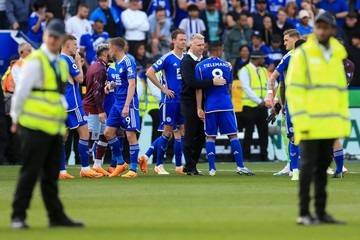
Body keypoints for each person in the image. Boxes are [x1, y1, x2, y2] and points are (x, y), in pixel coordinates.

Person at [9, 19, 84, 229]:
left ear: (60, 40)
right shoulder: (35, 61)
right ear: (45, 36)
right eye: (49, 36)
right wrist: (15, 118)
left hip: (53, 126)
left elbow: (58, 96)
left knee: (51, 175)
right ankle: (18, 216)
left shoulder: (60, 63)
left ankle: (56, 216)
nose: (52, 40)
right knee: (30, 173)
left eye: (56, 37)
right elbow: (21, 92)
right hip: (33, 126)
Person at [286, 11, 351, 225]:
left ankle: (321, 212)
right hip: (310, 123)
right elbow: (294, 91)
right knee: (307, 168)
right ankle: (304, 213)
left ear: (332, 30)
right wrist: (301, 123)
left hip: (330, 124)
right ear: (314, 29)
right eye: (318, 27)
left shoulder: (337, 54)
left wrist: (342, 122)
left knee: (323, 169)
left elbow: (339, 92)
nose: (321, 30)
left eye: (326, 27)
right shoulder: (303, 54)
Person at [195, 41, 255, 176]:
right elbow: (229, 87)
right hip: (226, 105)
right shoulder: (227, 65)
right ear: (219, 50)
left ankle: (212, 169)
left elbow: (199, 88)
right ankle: (240, 167)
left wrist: (199, 107)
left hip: (210, 106)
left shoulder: (200, 66)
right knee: (233, 135)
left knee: (210, 136)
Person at [140, 29, 187, 175]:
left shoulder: (186, 58)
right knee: (167, 132)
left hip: (183, 101)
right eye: (180, 39)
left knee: (181, 132)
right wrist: (164, 89)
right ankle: (158, 164)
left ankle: (179, 166)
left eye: (185, 40)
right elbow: (149, 72)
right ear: (173, 41)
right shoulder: (167, 57)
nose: (183, 42)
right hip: (170, 101)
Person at [180, 33, 226, 175]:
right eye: (198, 45)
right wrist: (212, 82)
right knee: (190, 133)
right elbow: (192, 83)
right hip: (189, 101)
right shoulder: (186, 61)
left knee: (201, 134)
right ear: (191, 45)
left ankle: (191, 164)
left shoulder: (204, 61)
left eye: (203, 45)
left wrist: (226, 66)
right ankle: (190, 166)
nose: (201, 48)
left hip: (204, 102)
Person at [59, 34, 102, 179]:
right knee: (84, 134)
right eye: (74, 44)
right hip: (73, 103)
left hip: (60, 103)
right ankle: (85, 168)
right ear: (67, 45)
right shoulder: (69, 59)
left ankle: (62, 172)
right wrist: (78, 62)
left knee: (62, 137)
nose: (76, 47)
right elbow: (80, 79)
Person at [103, 37, 141, 178]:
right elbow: (122, 82)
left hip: (128, 103)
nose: (108, 51)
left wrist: (126, 106)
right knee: (108, 133)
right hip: (117, 103)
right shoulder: (118, 63)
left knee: (130, 135)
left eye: (109, 48)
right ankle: (120, 162)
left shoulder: (128, 61)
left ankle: (133, 170)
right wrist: (111, 85)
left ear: (115, 48)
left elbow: (132, 85)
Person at [265, 29, 300, 178]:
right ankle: (293, 165)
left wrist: (270, 95)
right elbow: (282, 84)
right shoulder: (309, 56)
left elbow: (274, 79)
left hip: (294, 103)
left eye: (286, 40)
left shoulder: (290, 56)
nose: (284, 43)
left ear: (295, 39)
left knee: (293, 135)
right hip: (300, 102)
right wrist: (280, 104)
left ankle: (293, 167)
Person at [82, 44, 111, 176]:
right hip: (93, 108)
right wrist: (100, 110)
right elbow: (96, 92)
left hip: (95, 107)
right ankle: (85, 168)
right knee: (90, 138)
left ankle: (97, 164)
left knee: (105, 134)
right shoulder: (99, 69)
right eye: (111, 52)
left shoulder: (95, 66)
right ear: (105, 54)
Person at [239, 50, 268, 161]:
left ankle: (264, 156)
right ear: (257, 58)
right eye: (262, 58)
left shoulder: (264, 70)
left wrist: (264, 101)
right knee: (249, 133)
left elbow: (269, 86)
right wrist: (259, 101)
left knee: (263, 133)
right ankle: (246, 156)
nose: (264, 60)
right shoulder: (245, 70)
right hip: (249, 107)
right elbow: (246, 88)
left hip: (262, 106)